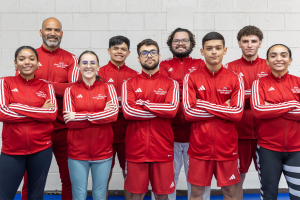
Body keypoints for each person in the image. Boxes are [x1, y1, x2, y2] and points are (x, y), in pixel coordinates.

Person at [17, 17, 80, 200]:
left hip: (63, 129)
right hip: (36, 129)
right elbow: (22, 90)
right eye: (48, 29)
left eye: (57, 30)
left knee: (69, 178)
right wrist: (57, 87)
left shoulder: (70, 58)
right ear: (41, 32)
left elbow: (73, 89)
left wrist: (42, 84)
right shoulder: (29, 57)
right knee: (32, 179)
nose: (52, 33)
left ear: (61, 34)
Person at [183, 32, 244, 200]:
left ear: (225, 50)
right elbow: (189, 112)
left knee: (230, 193)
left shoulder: (235, 78)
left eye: (218, 48)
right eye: (209, 49)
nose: (214, 52)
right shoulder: (192, 77)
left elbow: (237, 113)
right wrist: (223, 109)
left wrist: (201, 103)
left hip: (227, 148)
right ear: (202, 52)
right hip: (199, 149)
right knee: (196, 193)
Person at [121, 39, 179, 200]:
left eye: (153, 52)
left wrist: (144, 104)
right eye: (144, 53)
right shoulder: (129, 84)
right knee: (136, 196)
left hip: (162, 149)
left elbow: (172, 110)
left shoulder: (171, 83)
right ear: (138, 58)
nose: (149, 56)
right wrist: (160, 109)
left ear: (159, 56)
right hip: (136, 150)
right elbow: (128, 111)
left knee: (162, 196)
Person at [0, 46, 57, 199]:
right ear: (15, 63)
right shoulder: (5, 82)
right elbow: (2, 112)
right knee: (4, 195)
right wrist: (39, 112)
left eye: (32, 59)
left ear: (38, 64)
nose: (27, 62)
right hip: (12, 151)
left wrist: (17, 107)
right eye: (22, 58)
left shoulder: (46, 86)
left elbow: (51, 114)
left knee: (35, 196)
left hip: (41, 150)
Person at [159, 28, 209, 200]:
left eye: (184, 40)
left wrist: (191, 95)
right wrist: (192, 95)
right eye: (176, 40)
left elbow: (204, 93)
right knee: (168, 180)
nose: (180, 43)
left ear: (191, 43)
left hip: (196, 133)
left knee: (197, 180)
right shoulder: (164, 65)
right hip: (170, 133)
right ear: (171, 44)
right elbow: (167, 92)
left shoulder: (200, 64)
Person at [63, 50, 119, 199]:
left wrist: (81, 116)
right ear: (78, 67)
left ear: (98, 67)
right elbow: (70, 122)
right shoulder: (70, 91)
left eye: (92, 63)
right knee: (79, 196)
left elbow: (113, 116)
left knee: (99, 195)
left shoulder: (109, 88)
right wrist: (101, 114)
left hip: (103, 153)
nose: (89, 66)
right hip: (77, 154)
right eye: (85, 63)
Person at [224, 25, 270, 200]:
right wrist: (258, 98)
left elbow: (274, 99)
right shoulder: (230, 67)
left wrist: (242, 96)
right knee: (237, 178)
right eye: (245, 41)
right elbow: (227, 100)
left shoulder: (269, 66)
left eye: (253, 41)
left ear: (260, 43)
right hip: (238, 132)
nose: (249, 45)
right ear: (239, 43)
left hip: (265, 133)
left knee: (267, 178)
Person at [251, 44, 300, 200]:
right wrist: (293, 105)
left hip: (297, 150)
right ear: (267, 61)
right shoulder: (259, 84)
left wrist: (272, 108)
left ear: (290, 60)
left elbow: (265, 110)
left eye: (283, 55)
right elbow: (258, 110)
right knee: (269, 195)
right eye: (273, 55)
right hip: (268, 149)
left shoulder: (298, 82)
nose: (279, 59)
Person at [99, 36, 138, 200]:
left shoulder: (135, 75)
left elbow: (137, 104)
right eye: (115, 48)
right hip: (105, 131)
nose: (119, 52)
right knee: (104, 175)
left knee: (129, 174)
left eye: (123, 49)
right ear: (109, 51)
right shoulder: (99, 73)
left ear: (128, 53)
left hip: (128, 132)